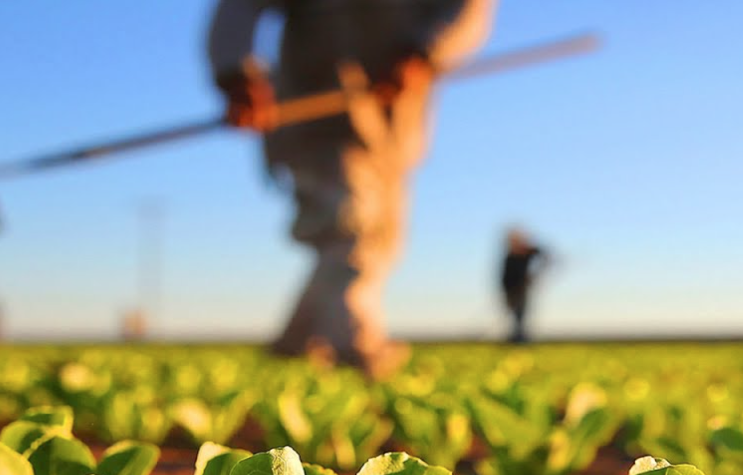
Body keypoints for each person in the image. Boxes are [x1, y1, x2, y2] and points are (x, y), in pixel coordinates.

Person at [208, 0, 497, 376]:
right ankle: (356, 346)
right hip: (316, 113)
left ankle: (293, 346)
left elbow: (465, 11)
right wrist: (235, 72)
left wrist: (425, 51)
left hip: (392, 124)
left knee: (381, 240)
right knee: (349, 227)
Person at [500, 227, 548, 343]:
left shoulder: (527, 252)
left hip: (523, 290)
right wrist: (508, 295)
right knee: (516, 315)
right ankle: (517, 337)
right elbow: (505, 279)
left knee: (522, 314)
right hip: (511, 291)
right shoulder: (509, 258)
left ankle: (520, 338)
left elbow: (543, 254)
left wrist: (534, 274)